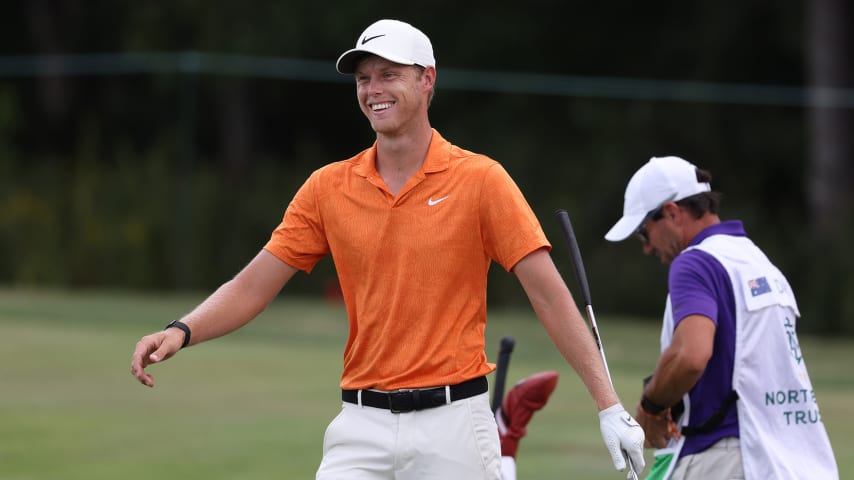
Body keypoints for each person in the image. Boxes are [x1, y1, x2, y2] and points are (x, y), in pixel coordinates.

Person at [131, 19, 645, 479]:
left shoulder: (481, 180)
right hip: (361, 427)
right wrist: (181, 330)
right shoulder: (328, 188)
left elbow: (550, 296)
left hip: (455, 427)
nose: (372, 89)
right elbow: (254, 285)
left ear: (428, 80)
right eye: (362, 79)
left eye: (388, 74)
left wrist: (607, 404)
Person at [603, 156, 839, 479]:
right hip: (797, 459)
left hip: (729, 456)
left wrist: (651, 406)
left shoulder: (694, 263)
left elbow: (691, 355)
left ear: (671, 213)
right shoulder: (759, 262)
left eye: (644, 233)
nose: (646, 248)